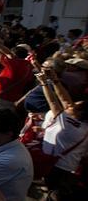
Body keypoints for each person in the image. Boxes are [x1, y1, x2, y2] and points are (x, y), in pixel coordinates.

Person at [36, 70, 88, 199]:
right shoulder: (83, 126)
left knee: (53, 194)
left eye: (75, 105)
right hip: (69, 169)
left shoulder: (67, 122)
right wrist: (55, 80)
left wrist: (44, 83)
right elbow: (65, 100)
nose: (71, 104)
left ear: (79, 113)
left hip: (54, 166)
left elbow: (54, 102)